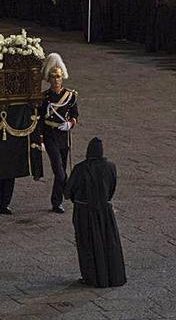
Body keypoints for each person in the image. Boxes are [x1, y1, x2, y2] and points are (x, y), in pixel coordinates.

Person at [64, 137, 127, 288]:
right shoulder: (110, 167)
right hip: (104, 211)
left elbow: (68, 192)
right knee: (108, 243)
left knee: (87, 244)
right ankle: (112, 276)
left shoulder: (80, 168)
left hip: (84, 211)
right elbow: (112, 188)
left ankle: (91, 277)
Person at [40, 53, 79, 214]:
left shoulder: (70, 96)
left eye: (58, 77)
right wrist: (40, 139)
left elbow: (75, 114)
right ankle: (67, 194)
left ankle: (57, 201)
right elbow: (40, 119)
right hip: (50, 135)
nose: (56, 80)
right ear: (49, 79)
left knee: (62, 168)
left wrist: (70, 124)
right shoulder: (44, 98)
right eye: (53, 77)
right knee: (59, 171)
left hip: (63, 136)